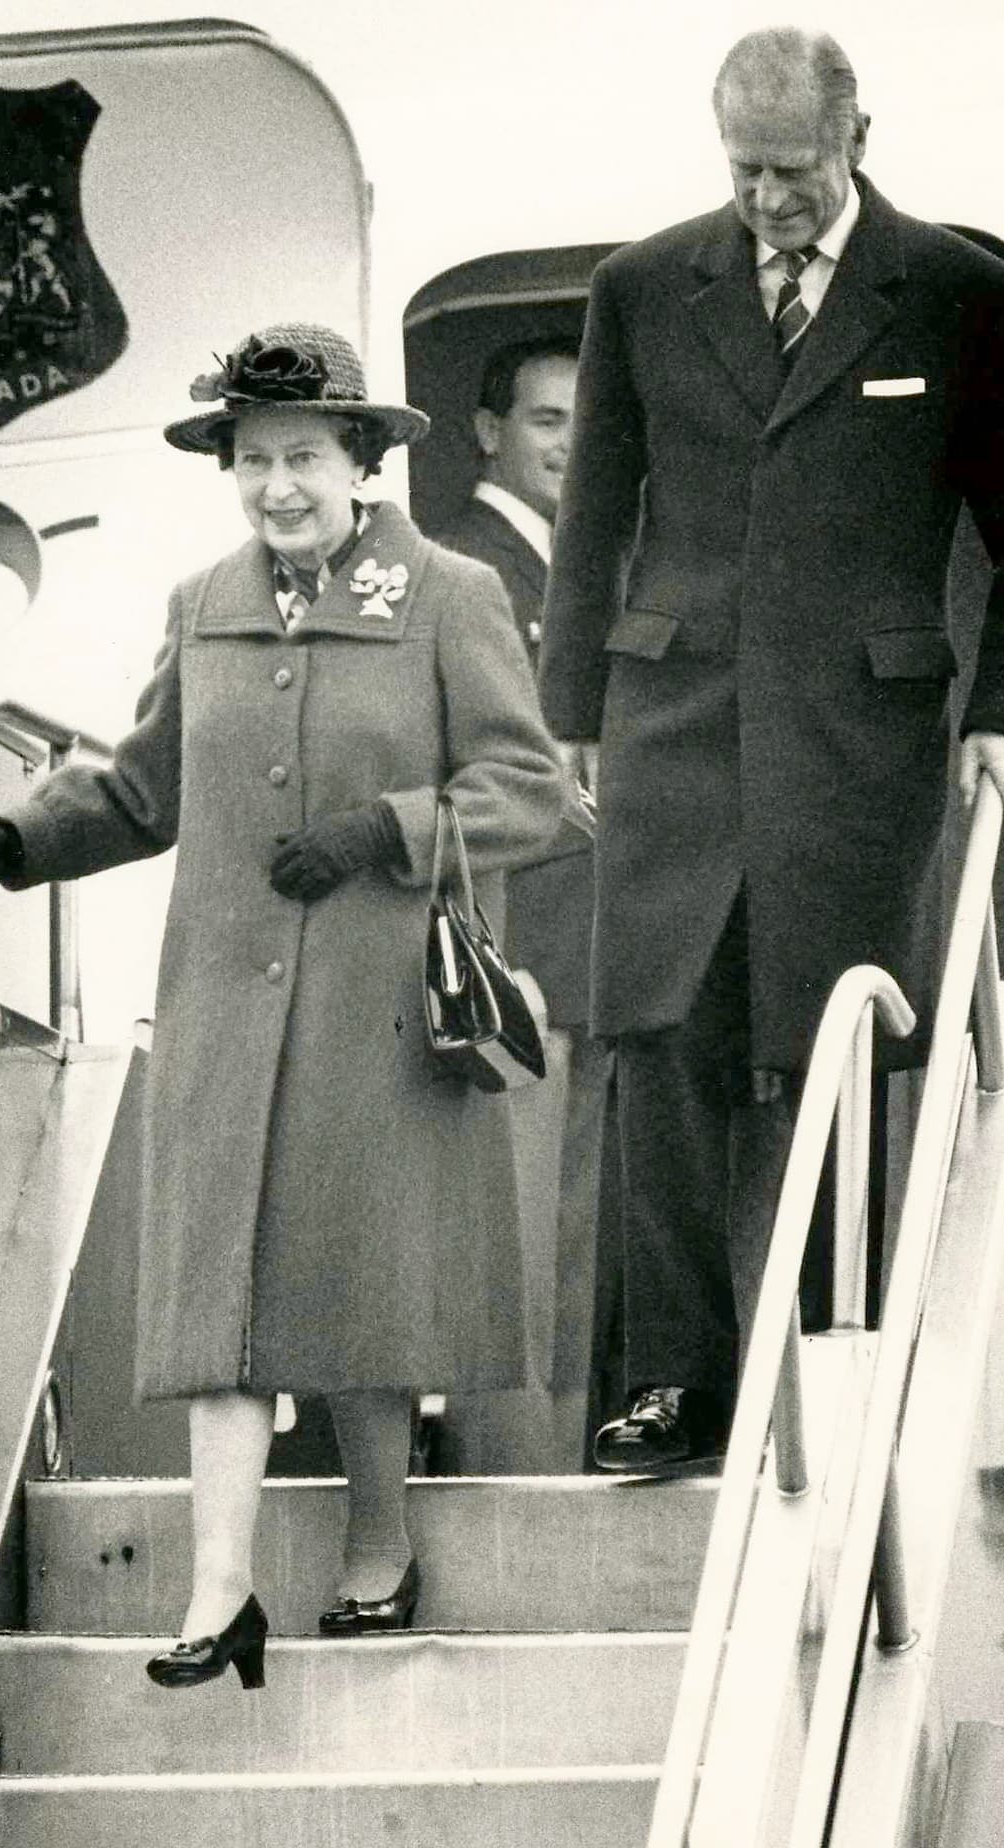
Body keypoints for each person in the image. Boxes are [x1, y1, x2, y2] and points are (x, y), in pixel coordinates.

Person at [0, 323, 564, 1686]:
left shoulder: (446, 598)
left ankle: (380, 1552)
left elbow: (536, 794)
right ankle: (218, 1598)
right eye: (253, 460)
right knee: (223, 1309)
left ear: (363, 463)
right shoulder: (202, 599)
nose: (278, 486)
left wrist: (386, 828)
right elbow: (147, 786)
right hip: (223, 1009)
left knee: (370, 1302)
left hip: (378, 1015)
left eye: (305, 458)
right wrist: (16, 842)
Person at [539, 28, 1004, 1477]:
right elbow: (594, 509)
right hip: (671, 730)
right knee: (659, 1049)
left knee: (841, 1041)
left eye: (794, 171)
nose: (770, 200)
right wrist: (572, 716)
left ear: (856, 137)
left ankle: (836, 1364)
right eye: (744, 171)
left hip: (857, 740)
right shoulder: (645, 287)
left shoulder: (960, 294)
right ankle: (670, 1387)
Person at [432, 337, 615, 1471]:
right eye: (546, 420)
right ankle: (513, 1476)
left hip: (591, 938)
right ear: (488, 432)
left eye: (582, 423)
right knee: (513, 1233)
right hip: (513, 938)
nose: (568, 443)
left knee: (574, 1231)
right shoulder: (464, 562)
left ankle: (557, 1458)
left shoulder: (578, 560)